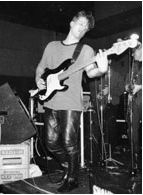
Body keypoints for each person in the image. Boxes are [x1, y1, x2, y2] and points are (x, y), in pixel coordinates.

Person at [35, 10, 108, 193]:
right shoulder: (51, 46)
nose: (83, 29)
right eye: (81, 24)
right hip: (50, 100)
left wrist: (102, 68)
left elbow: (91, 73)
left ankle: (73, 179)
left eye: (86, 28)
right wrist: (38, 80)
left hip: (71, 102)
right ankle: (70, 166)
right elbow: (41, 67)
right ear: (72, 23)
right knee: (50, 142)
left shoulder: (85, 50)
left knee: (69, 142)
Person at [125, 43, 142, 172]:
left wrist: (140, 87)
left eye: (134, 52)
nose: (132, 54)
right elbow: (126, 83)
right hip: (134, 102)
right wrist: (128, 88)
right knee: (132, 129)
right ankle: (134, 157)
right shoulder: (133, 67)